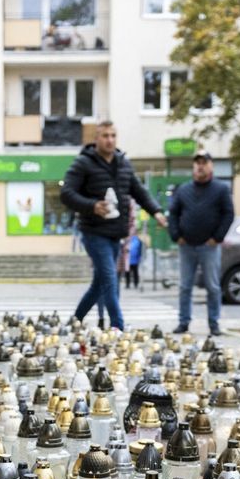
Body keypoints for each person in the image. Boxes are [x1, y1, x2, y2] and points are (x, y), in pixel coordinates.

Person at [61, 121, 168, 332]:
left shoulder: (123, 164)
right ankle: (118, 328)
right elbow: (67, 194)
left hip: (116, 234)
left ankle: (75, 321)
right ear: (96, 139)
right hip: (93, 232)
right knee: (111, 280)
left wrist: (156, 211)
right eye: (105, 136)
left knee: (99, 284)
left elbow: (139, 191)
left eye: (113, 136)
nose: (110, 140)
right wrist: (91, 206)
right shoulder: (83, 163)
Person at [168, 151, 235, 336]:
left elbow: (228, 214)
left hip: (209, 246)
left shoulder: (220, 189)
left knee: (212, 286)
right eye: (197, 163)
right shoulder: (183, 189)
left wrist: (217, 237)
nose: (200, 166)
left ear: (211, 165)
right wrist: (176, 235)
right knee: (184, 287)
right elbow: (173, 213)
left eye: (204, 162)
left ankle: (213, 323)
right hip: (186, 245)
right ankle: (183, 322)